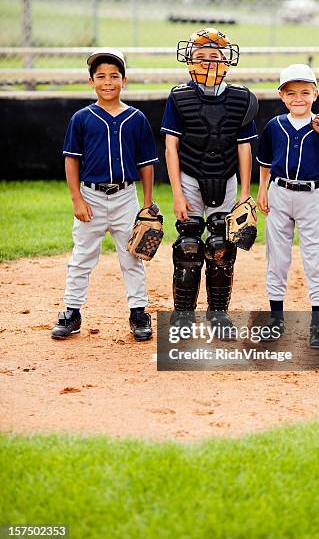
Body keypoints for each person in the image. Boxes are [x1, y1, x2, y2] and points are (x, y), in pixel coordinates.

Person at [51, 47, 159, 342]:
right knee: (82, 256)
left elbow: (146, 163)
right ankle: (71, 312)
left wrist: (147, 203)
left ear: (124, 80)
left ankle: (139, 312)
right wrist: (77, 198)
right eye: (100, 76)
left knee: (132, 256)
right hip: (92, 196)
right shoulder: (81, 118)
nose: (107, 81)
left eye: (114, 76)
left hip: (126, 197)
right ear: (91, 82)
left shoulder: (136, 118)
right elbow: (71, 159)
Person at [161, 28, 258, 336]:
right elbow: (170, 147)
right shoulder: (179, 97)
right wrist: (177, 193)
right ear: (189, 62)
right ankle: (184, 316)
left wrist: (245, 193)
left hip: (226, 178)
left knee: (221, 246)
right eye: (200, 57)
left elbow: (245, 146)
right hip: (189, 176)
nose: (207, 63)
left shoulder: (241, 99)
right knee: (189, 245)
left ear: (227, 63)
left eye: (214, 57)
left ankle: (218, 315)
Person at [256, 64, 319, 349]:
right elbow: (265, 162)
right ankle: (276, 320)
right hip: (278, 193)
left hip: (311, 197)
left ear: (316, 94)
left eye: (305, 92)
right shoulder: (274, 126)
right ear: (281, 95)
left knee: (314, 259)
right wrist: (262, 191)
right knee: (277, 258)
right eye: (291, 93)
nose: (298, 98)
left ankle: (317, 325)